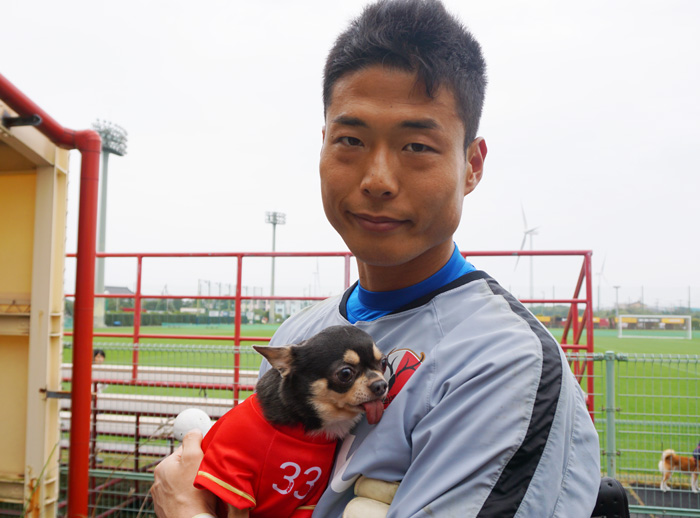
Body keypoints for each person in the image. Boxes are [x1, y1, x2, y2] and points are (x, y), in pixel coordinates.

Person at [152, 1, 600, 516]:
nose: (378, 180)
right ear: (323, 145)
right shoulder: (300, 335)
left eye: (416, 146)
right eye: (351, 140)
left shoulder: (504, 366)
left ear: (472, 165)